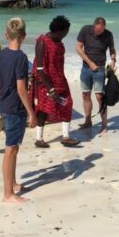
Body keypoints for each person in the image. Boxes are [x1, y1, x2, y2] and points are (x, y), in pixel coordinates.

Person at [0, 17, 37, 203]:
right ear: (24, 36)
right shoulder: (21, 58)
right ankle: (7, 194)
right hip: (14, 107)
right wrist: (31, 112)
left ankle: (13, 183)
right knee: (10, 149)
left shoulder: (2, 54)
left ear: (6, 34)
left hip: (4, 105)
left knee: (14, 147)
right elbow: (21, 88)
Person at [31, 15, 80, 148]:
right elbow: (40, 68)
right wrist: (50, 88)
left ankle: (65, 137)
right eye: (65, 33)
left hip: (60, 80)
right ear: (59, 32)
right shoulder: (42, 42)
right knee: (43, 109)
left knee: (67, 104)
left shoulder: (59, 43)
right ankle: (39, 139)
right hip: (44, 82)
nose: (66, 35)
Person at [76, 17, 117, 133]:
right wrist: (89, 63)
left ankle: (104, 125)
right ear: (94, 26)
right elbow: (78, 48)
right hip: (86, 68)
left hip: (99, 69)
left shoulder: (108, 34)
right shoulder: (85, 30)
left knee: (100, 97)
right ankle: (88, 121)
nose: (100, 33)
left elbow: (112, 49)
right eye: (98, 30)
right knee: (85, 95)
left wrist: (113, 59)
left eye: (102, 30)